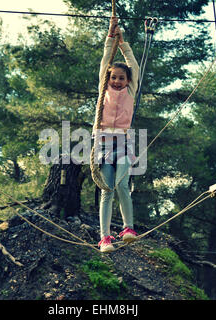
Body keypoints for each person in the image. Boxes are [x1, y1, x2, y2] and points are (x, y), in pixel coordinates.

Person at [94, 16, 139, 253]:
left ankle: (128, 228)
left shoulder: (131, 90)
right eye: (114, 78)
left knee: (122, 185)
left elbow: (133, 63)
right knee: (107, 190)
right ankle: (105, 238)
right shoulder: (104, 89)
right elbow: (105, 61)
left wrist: (123, 43)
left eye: (122, 78)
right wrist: (111, 37)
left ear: (128, 81)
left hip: (122, 142)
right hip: (102, 143)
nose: (117, 81)